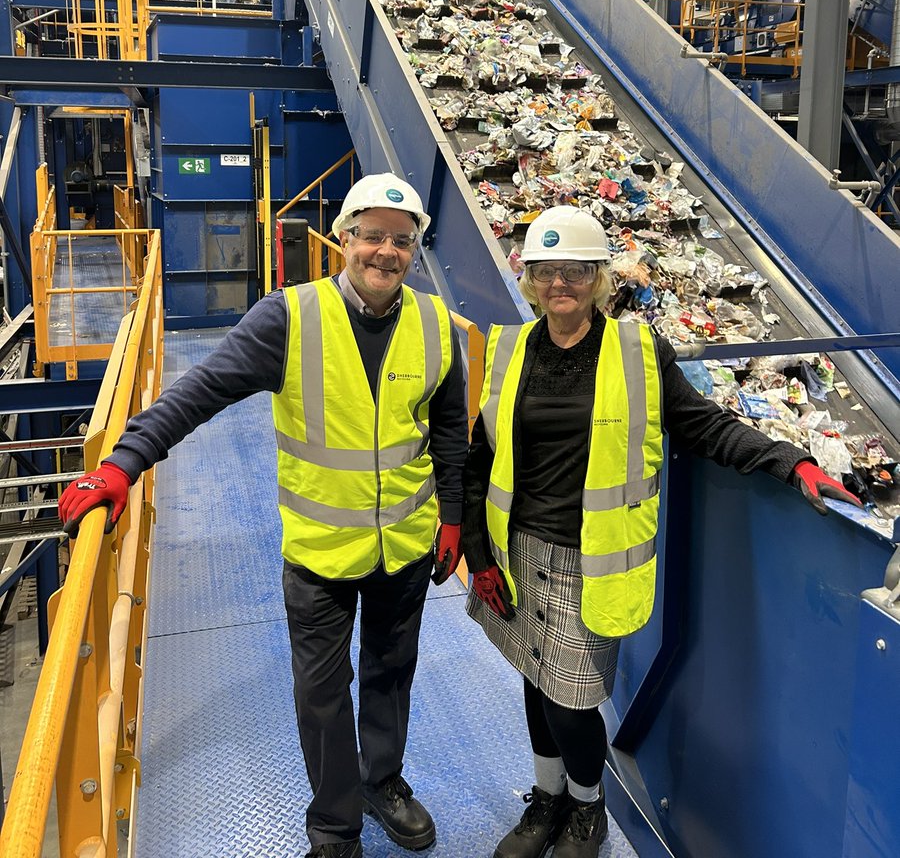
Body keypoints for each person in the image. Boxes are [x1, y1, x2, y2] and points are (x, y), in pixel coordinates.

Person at [59, 174, 468, 858]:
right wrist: (122, 463)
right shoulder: (291, 318)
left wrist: (452, 517)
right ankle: (335, 827)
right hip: (319, 553)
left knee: (392, 673)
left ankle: (383, 781)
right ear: (344, 240)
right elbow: (200, 391)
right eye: (372, 236)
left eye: (402, 240)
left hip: (405, 543)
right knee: (322, 695)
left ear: (414, 250)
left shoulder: (434, 323)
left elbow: (452, 429)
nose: (385, 252)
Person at [462, 205, 860, 858]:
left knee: (572, 702)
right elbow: (482, 458)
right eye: (546, 271)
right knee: (534, 681)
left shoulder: (637, 351)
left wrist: (791, 462)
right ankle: (547, 800)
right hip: (517, 548)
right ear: (528, 277)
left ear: (597, 279)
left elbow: (703, 425)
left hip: (588, 562)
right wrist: (477, 553)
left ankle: (587, 808)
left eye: (575, 271)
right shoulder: (508, 350)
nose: (559, 283)